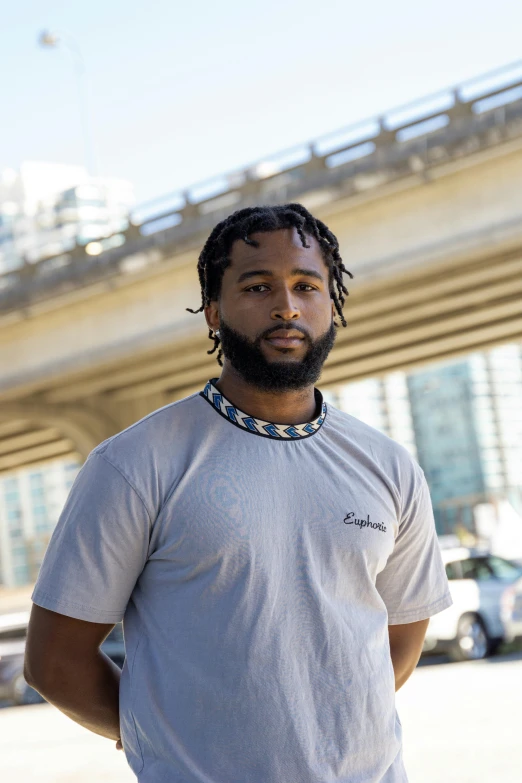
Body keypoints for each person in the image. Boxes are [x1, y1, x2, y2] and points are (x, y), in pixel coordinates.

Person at [24, 203, 453, 783]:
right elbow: (56, 662)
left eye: (306, 285)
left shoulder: (388, 466)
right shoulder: (134, 464)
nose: (286, 305)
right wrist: (163, 735)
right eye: (257, 286)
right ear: (214, 311)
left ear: (332, 304)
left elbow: (400, 633)